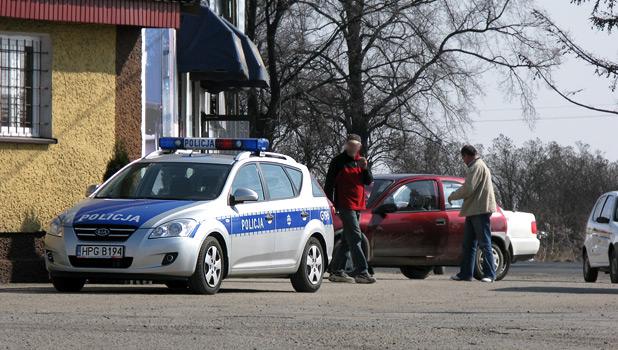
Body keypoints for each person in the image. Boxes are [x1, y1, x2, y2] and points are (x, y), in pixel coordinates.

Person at [324, 134, 376, 284]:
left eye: (356, 145)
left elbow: (368, 181)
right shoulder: (338, 161)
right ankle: (362, 272)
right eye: (350, 144)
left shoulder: (361, 161)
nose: (353, 147)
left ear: (359, 147)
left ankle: (337, 271)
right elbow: (329, 184)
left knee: (347, 240)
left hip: (358, 205)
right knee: (355, 237)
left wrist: (365, 168)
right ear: (346, 145)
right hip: (345, 205)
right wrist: (331, 203)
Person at [448, 145, 498, 283]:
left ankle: (490, 274)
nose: (463, 160)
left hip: (480, 210)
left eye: (463, 157)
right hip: (473, 210)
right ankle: (465, 274)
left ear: (467, 155)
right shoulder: (478, 166)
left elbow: (468, 188)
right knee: (468, 243)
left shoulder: (476, 167)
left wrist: (452, 196)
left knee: (484, 243)